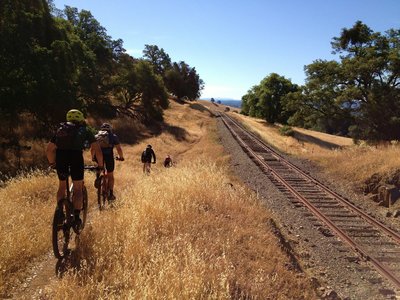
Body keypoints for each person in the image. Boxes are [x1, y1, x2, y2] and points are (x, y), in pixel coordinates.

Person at [46, 109, 104, 229]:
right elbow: (97, 149)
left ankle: (60, 213)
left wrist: (52, 163)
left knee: (62, 186)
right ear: (81, 119)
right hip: (76, 157)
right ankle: (77, 218)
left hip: (61, 157)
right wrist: (100, 165)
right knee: (78, 188)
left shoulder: (61, 130)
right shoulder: (85, 130)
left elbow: (49, 149)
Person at [92, 123, 124, 200]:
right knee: (110, 175)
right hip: (109, 156)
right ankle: (111, 194)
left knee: (100, 167)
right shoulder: (113, 136)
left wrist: (93, 157)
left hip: (98, 156)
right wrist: (121, 157)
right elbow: (119, 149)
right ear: (110, 129)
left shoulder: (96, 136)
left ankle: (98, 177)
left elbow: (92, 148)